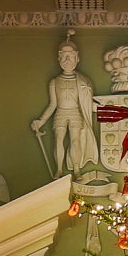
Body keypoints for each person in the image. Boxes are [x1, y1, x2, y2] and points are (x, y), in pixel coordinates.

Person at [32, 32, 97, 175]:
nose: (67, 60)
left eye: (71, 57)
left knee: (75, 141)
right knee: (58, 140)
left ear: (77, 58)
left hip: (75, 112)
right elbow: (52, 105)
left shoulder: (82, 81)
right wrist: (41, 122)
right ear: (59, 58)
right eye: (64, 57)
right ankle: (59, 169)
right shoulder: (54, 82)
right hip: (61, 112)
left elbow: (86, 103)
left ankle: (77, 169)